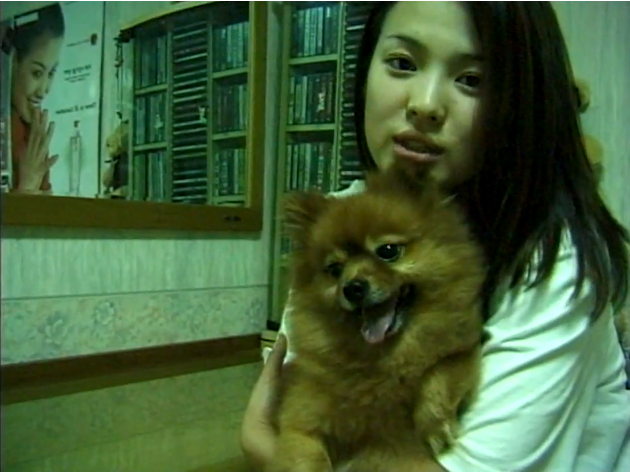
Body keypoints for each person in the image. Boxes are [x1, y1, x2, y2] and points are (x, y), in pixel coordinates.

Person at [241, 2, 630, 471]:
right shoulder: (340, 216)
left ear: (523, 103)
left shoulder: (554, 263)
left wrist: (258, 439)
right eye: (402, 63)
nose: (425, 104)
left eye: (471, 80)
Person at [10, 3, 65, 194]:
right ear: (12, 63)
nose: (43, 91)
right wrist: (27, 187)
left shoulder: (31, 132)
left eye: (51, 73)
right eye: (36, 73)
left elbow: (44, 208)